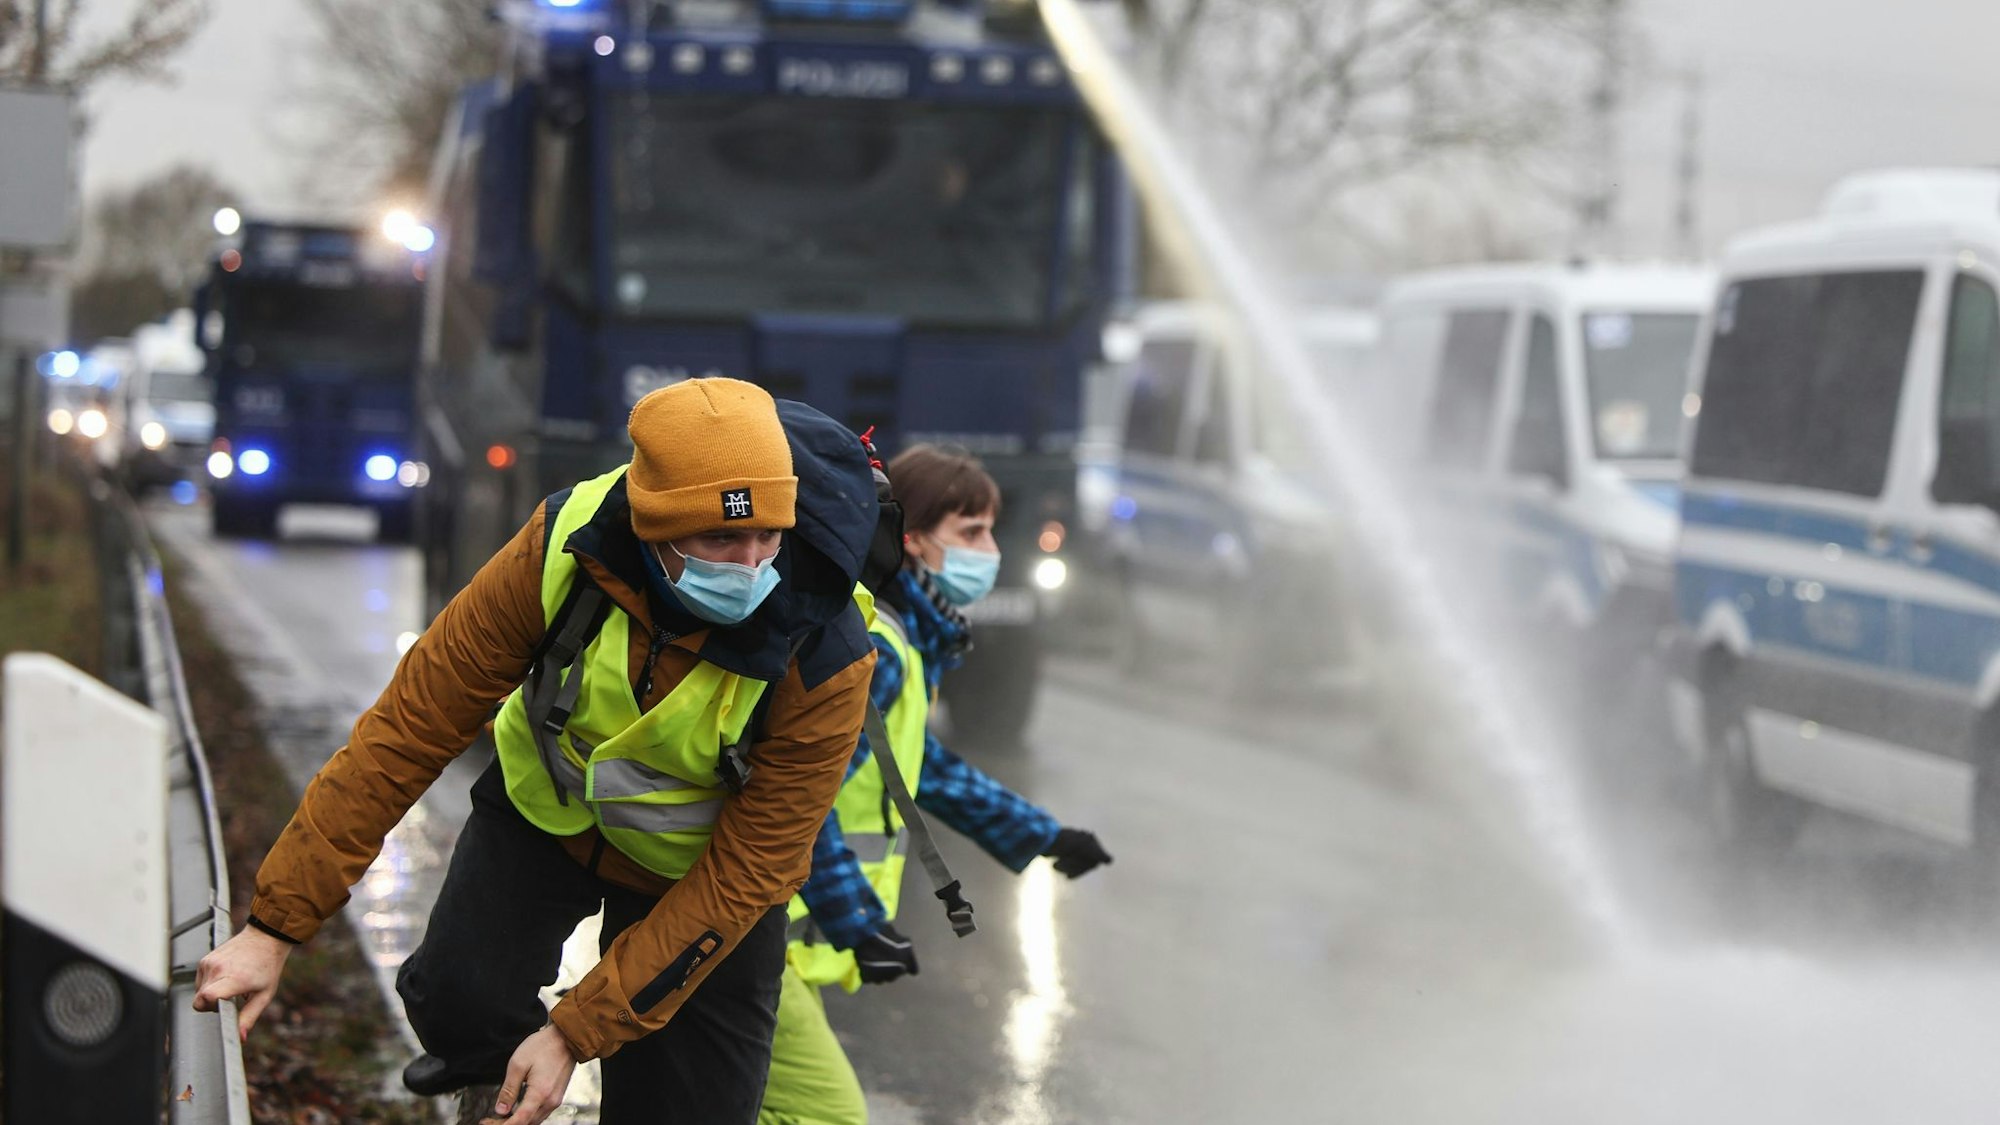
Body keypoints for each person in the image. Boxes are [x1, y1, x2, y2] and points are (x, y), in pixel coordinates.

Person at [194, 378, 884, 1125]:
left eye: (767, 537)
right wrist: (275, 925)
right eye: (720, 540)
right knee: (457, 996)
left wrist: (572, 1031)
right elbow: (410, 726)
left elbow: (755, 868)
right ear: (653, 526)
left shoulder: (829, 649)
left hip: (700, 877)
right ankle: (494, 1104)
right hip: (546, 816)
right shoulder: (561, 545)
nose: (750, 566)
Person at [758, 444, 1115, 1125]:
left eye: (990, 529)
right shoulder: (882, 652)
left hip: (781, 943)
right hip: (768, 940)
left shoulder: (897, 636)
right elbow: (801, 804)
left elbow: (924, 766)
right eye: (971, 532)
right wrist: (858, 923)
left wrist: (1041, 836)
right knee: (825, 1113)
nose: (990, 550)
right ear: (914, 541)